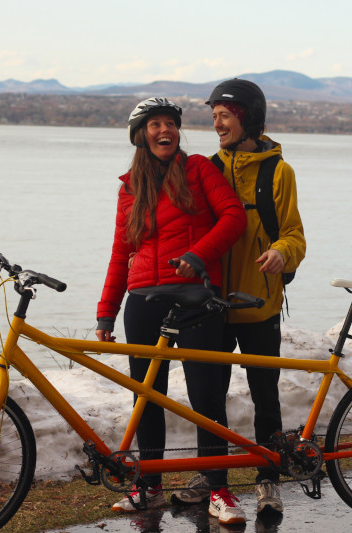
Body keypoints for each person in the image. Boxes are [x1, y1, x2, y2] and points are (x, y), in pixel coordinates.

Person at [96, 97, 248, 525]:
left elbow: (234, 218)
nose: (165, 131)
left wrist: (199, 255)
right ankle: (148, 485)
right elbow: (119, 252)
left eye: (170, 124)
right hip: (143, 298)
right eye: (155, 125)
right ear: (141, 135)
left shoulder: (199, 168)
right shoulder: (129, 187)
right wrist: (107, 311)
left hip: (197, 296)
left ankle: (218, 490)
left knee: (205, 395)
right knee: (147, 396)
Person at [171, 79, 306, 516]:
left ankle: (268, 479)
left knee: (265, 395)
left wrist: (281, 253)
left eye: (224, 116)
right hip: (212, 306)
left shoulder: (278, 172)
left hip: (259, 305)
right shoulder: (206, 167)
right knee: (209, 398)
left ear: (246, 117)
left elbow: (295, 236)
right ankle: (213, 477)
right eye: (213, 118)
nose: (217, 125)